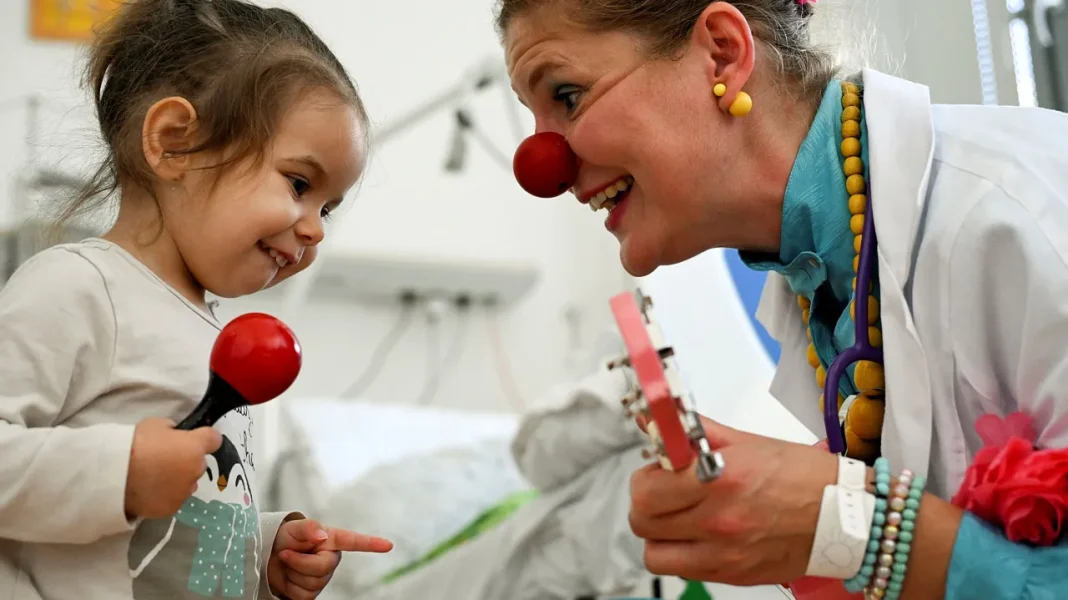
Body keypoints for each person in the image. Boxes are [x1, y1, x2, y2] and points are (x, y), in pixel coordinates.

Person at [498, 0, 1068, 598]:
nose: (545, 170)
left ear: (723, 52)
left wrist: (859, 535)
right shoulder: (819, 291)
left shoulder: (1022, 213)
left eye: (566, 96)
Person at [0, 1, 392, 599]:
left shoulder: (211, 332)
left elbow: (179, 528)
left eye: (328, 209)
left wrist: (265, 550)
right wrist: (122, 473)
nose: (315, 229)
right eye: (298, 184)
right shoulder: (77, 287)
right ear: (175, 143)